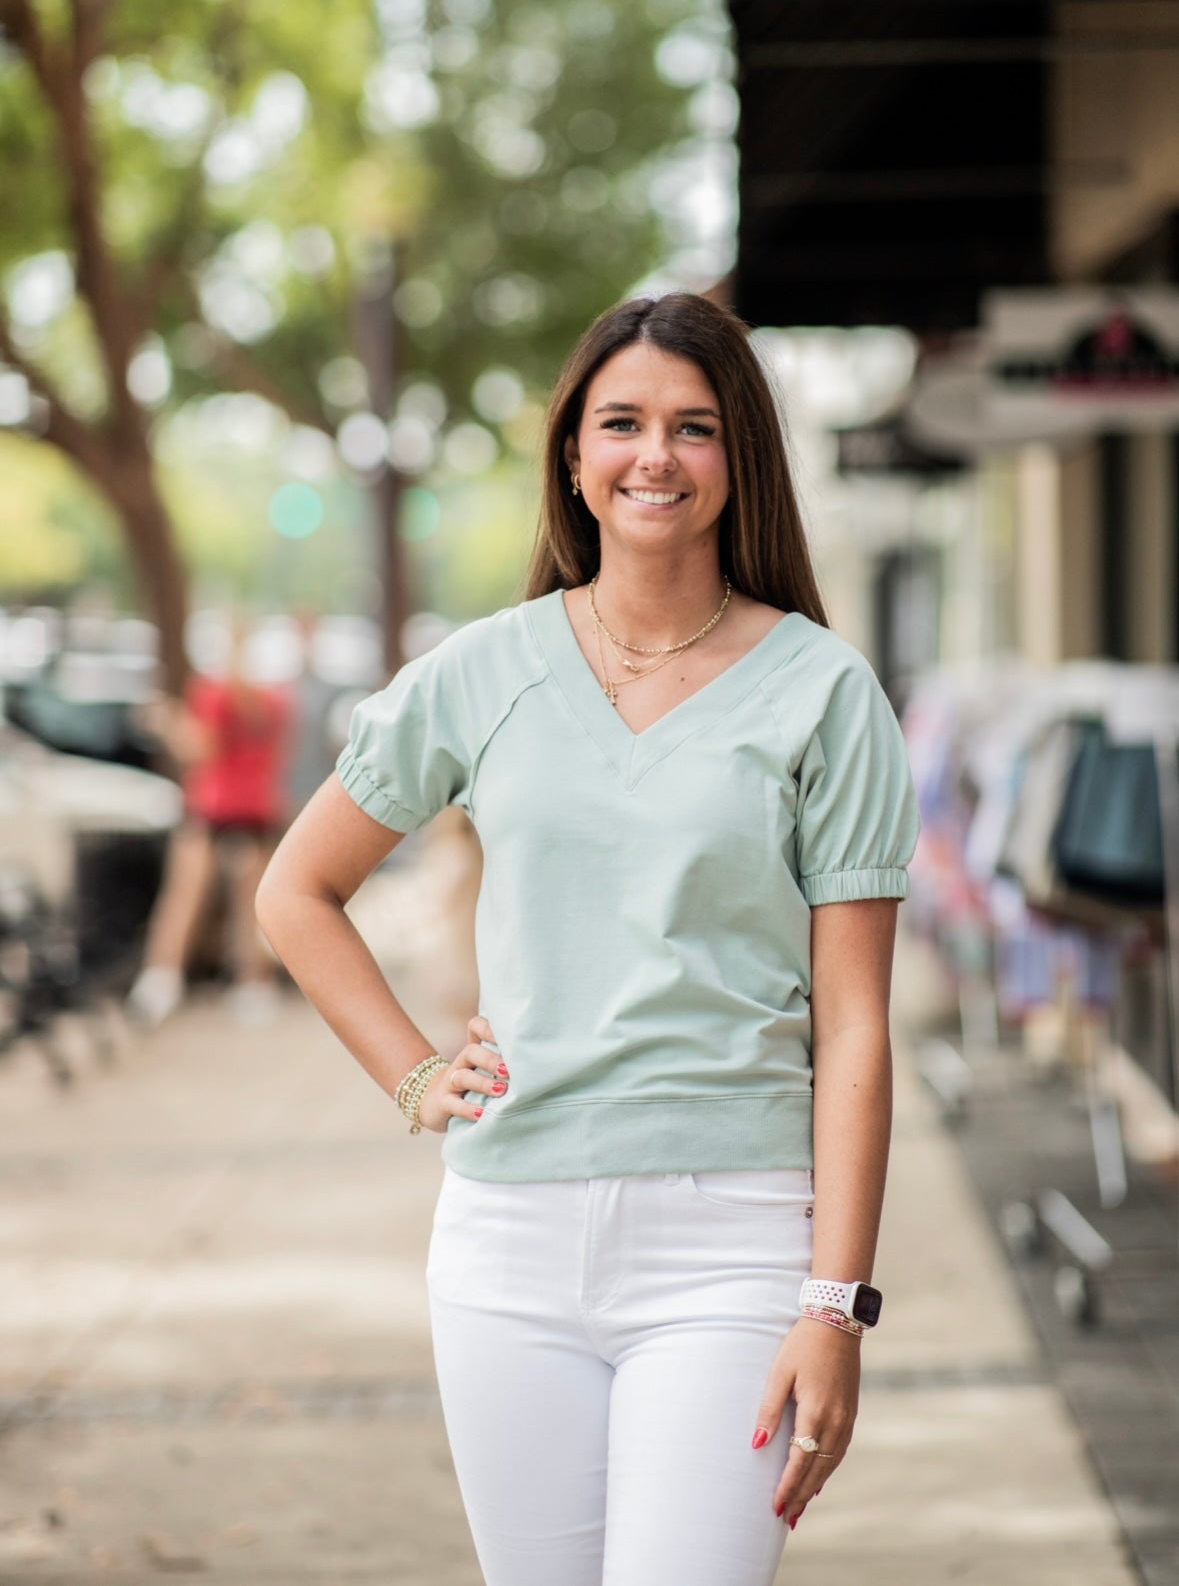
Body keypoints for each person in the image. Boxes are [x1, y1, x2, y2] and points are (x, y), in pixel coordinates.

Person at [256, 292, 920, 1586]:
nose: (652, 455)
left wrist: (831, 1305)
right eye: (619, 423)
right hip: (505, 1241)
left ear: (739, 462)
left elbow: (855, 1028)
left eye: (692, 427)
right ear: (573, 454)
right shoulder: (482, 671)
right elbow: (295, 889)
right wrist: (410, 1069)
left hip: (730, 1245)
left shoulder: (822, 693)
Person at [130, 617, 290, 1026]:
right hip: (257, 806)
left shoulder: (213, 693)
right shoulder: (274, 699)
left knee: (184, 896)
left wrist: (165, 722)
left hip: (214, 806)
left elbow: (202, 749)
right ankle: (255, 986)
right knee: (251, 905)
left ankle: (161, 981)